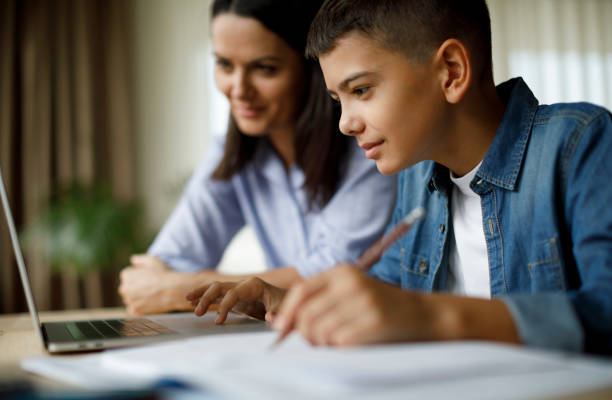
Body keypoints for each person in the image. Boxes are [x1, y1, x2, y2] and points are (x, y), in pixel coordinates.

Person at [187, 0, 612, 355]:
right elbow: (383, 291)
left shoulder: (580, 144)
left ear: (451, 70)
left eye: (361, 90)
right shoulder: (418, 178)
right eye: (337, 99)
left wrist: (432, 316)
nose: (345, 123)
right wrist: (287, 300)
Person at [118, 0, 396, 315]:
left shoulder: (369, 148)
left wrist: (180, 289)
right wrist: (166, 283)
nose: (239, 89)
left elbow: (332, 274)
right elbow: (163, 266)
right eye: (224, 65)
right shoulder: (233, 154)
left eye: (265, 69)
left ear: (311, 69)